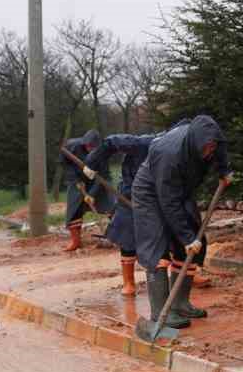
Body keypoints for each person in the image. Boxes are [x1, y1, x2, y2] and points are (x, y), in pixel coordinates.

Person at [133, 115, 232, 330]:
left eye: (212, 147)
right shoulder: (169, 153)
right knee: (156, 248)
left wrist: (224, 170)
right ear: (196, 142)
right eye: (206, 148)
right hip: (150, 192)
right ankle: (161, 312)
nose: (209, 152)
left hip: (180, 189)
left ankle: (179, 303)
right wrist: (186, 238)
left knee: (192, 245)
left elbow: (220, 150)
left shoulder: (208, 140)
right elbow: (168, 202)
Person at [83, 132, 159, 296]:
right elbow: (110, 141)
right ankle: (129, 283)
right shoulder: (142, 143)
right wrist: (92, 163)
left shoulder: (177, 153)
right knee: (127, 236)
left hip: (156, 195)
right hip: (129, 194)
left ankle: (186, 276)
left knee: (170, 234)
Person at [59, 129, 102, 253]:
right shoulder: (71, 146)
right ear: (84, 143)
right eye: (88, 146)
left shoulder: (102, 153)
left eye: (93, 147)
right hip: (76, 180)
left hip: (95, 179)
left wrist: (92, 194)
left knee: (110, 204)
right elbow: (64, 162)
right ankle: (76, 241)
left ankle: (117, 236)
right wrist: (75, 179)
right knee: (74, 209)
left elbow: (102, 176)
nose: (90, 149)